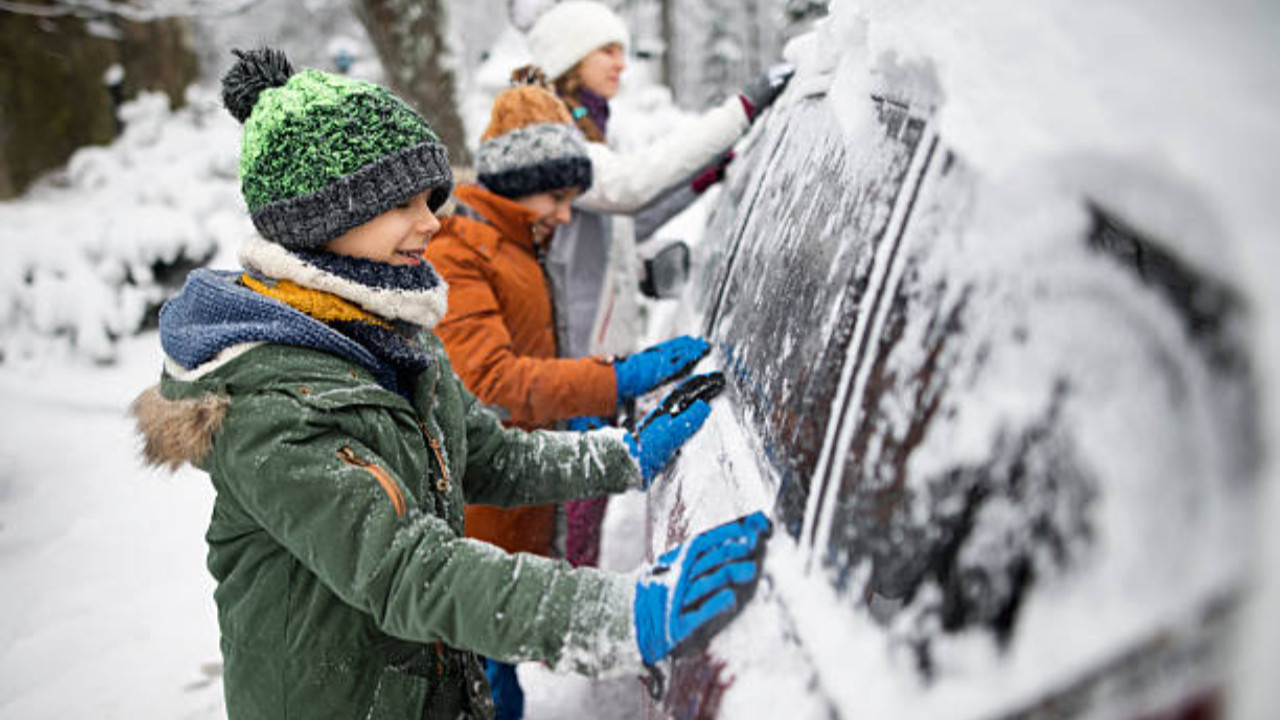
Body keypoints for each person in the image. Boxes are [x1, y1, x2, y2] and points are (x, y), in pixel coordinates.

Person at [129, 48, 771, 720]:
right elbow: (408, 568)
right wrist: (616, 615)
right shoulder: (272, 405)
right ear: (323, 220)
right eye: (403, 203)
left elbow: (491, 457)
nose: (433, 221)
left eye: (431, 198)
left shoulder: (394, 334)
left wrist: (624, 455)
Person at [425, 74, 713, 717]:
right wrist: (615, 378)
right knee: (477, 681)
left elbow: (534, 358)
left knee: (497, 672)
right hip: (475, 513)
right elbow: (494, 379)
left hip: (510, 503)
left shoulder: (518, 242)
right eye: (556, 197)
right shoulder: (460, 249)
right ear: (515, 182)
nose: (565, 213)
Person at [522, 0, 794, 581]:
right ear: (570, 59)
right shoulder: (550, 137)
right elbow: (627, 187)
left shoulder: (586, 130)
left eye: (624, 48)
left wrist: (704, 179)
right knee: (572, 529)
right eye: (607, 50)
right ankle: (559, 643)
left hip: (594, 367)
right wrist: (741, 110)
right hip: (571, 370)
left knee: (582, 518)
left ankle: (564, 625)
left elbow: (624, 221)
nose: (622, 62)